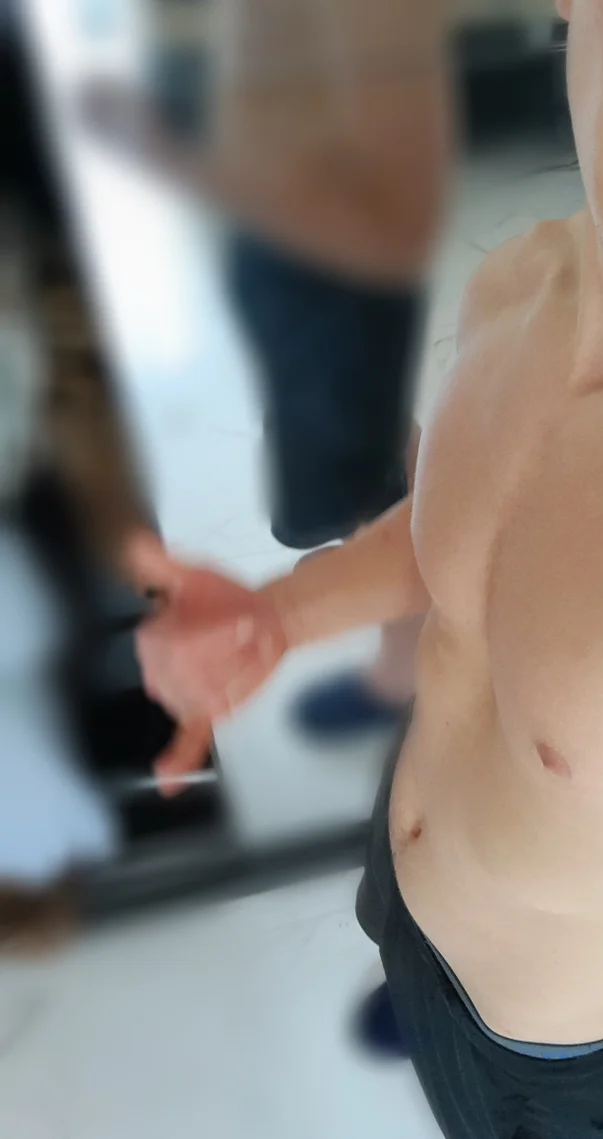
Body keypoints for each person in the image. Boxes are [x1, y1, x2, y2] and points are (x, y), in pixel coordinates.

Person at [128, 0, 603, 1139]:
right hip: (406, 874)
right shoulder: (528, 276)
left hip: (564, 1055)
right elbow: (472, 531)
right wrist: (282, 616)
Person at [83, 0, 453, 737]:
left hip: (333, 277)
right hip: (304, 278)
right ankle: (409, 619)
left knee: (370, 480)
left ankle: (405, 669)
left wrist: (162, 154)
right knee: (376, 452)